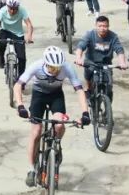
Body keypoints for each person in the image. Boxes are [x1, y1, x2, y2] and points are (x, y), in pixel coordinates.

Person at [14, 47, 90, 187]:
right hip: (38, 95)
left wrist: (85, 113)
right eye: (52, 67)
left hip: (56, 95)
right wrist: (20, 106)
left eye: (58, 68)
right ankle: (31, 169)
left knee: (59, 125)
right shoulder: (36, 66)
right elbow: (18, 85)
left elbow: (79, 90)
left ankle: (56, 145)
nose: (55, 71)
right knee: (36, 131)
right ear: (45, 63)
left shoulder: (67, 67)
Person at [74, 16, 128, 93]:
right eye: (100, 26)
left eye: (105, 26)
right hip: (91, 62)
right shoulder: (90, 34)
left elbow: (119, 50)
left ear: (108, 26)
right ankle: (88, 90)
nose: (102, 28)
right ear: (96, 26)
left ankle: (108, 98)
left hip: (106, 63)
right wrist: (78, 58)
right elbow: (80, 46)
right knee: (88, 78)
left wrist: (122, 62)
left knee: (109, 85)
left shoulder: (113, 36)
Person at [0, 0, 34, 76]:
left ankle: (21, 77)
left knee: (22, 58)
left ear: (18, 7)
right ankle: (1, 60)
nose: (12, 11)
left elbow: (29, 24)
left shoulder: (22, 10)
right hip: (5, 31)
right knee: (1, 45)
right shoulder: (3, 10)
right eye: (10, 8)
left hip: (18, 34)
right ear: (7, 6)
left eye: (15, 9)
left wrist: (29, 36)